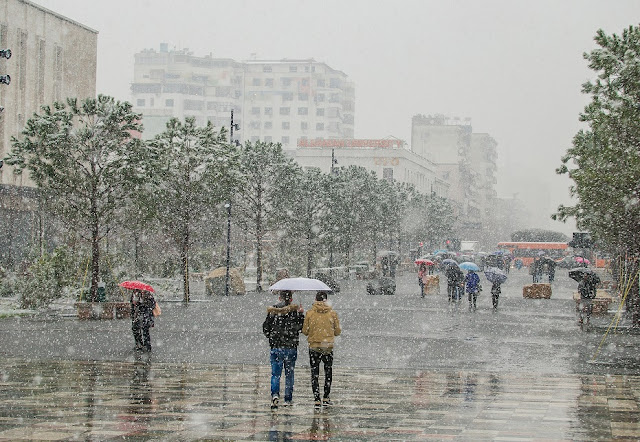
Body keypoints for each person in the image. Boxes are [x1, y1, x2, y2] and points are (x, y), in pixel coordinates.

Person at [262, 290, 304, 409]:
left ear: (280, 298)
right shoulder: (295, 312)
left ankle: (275, 395)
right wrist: (301, 314)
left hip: (276, 347)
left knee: (275, 374)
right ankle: (288, 399)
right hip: (290, 348)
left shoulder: (273, 312)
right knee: (289, 374)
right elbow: (301, 328)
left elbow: (265, 328)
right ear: (291, 299)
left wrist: (271, 337)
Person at [302, 291, 341, 409]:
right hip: (327, 347)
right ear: (326, 300)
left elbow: (305, 331)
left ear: (315, 299)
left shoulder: (310, 313)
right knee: (328, 372)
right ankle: (326, 397)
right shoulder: (332, 313)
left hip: (314, 346)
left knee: (315, 373)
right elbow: (338, 331)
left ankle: (317, 399)